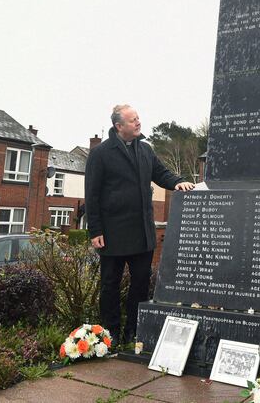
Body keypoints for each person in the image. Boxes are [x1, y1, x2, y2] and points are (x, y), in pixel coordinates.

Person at [84, 104, 194, 346]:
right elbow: (91, 195)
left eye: (138, 118)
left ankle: (133, 332)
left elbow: (161, 172)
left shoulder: (145, 149)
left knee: (140, 285)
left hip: (142, 232)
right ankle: (109, 335)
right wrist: (95, 230)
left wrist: (178, 182)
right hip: (112, 233)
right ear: (118, 126)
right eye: (132, 120)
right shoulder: (100, 153)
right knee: (110, 286)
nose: (138, 122)